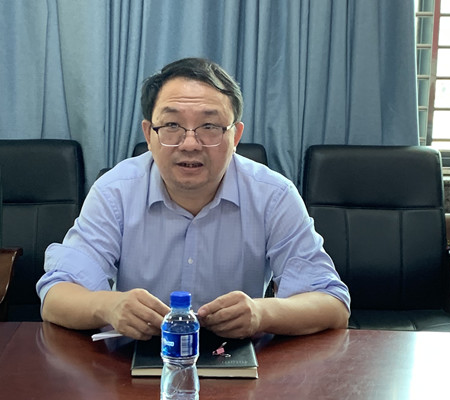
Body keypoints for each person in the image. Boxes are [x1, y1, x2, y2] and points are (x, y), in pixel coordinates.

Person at [36, 57, 350, 340]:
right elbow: (56, 297)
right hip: (132, 361)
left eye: (209, 126)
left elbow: (332, 304)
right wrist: (109, 306)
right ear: (149, 134)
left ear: (235, 136)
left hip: (241, 361)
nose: (189, 144)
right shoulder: (114, 191)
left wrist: (261, 313)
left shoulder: (273, 195)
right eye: (172, 125)